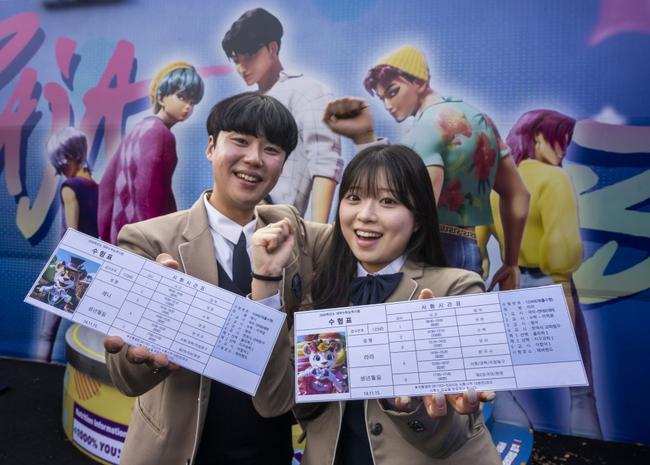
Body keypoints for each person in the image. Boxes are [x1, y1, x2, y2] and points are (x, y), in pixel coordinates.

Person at [103, 92, 333, 465]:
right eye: (240, 141)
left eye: (271, 150)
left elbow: (364, 234)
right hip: (178, 453)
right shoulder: (149, 240)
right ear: (211, 147)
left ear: (282, 164)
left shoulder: (296, 234)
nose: (254, 159)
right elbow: (126, 378)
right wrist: (150, 349)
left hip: (270, 449)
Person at [251, 144, 501, 465]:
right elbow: (272, 401)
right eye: (354, 197)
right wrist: (266, 283)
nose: (365, 215)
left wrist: (408, 405)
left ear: (418, 219)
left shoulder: (455, 290)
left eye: (388, 201)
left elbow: (448, 440)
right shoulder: (321, 290)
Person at [322, 45, 529, 290]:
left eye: (393, 91)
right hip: (469, 247)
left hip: (429, 255)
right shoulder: (480, 120)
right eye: (383, 98)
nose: (388, 104)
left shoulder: (423, 131)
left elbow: (420, 208)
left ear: (419, 82)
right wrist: (511, 262)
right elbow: (518, 194)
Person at [476, 109, 602, 438]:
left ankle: (516, 443)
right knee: (581, 392)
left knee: (501, 386)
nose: (564, 149)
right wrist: (563, 286)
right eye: (560, 139)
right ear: (537, 136)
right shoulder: (554, 179)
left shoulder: (493, 183)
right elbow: (562, 249)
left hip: (510, 287)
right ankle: (591, 456)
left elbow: (476, 246)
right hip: (552, 285)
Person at [222, 8, 343, 222]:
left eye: (249, 56)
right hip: (237, 219)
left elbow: (325, 163)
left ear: (272, 48)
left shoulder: (307, 91)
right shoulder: (245, 101)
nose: (241, 68)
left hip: (282, 222)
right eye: (236, 60)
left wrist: (316, 232)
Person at [98, 61, 204, 244]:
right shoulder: (161, 134)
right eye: (181, 97)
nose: (188, 107)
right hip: (145, 240)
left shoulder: (138, 129)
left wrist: (105, 234)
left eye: (192, 102)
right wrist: (160, 239)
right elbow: (149, 192)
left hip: (120, 235)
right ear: (161, 97)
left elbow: (107, 185)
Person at [35, 127, 98, 361]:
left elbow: (72, 234)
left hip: (69, 262)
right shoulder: (98, 188)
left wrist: (61, 271)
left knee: (47, 334)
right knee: (86, 334)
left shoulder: (70, 187)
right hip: (93, 262)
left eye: (61, 165)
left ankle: (39, 373)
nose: (61, 171)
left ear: (72, 155)